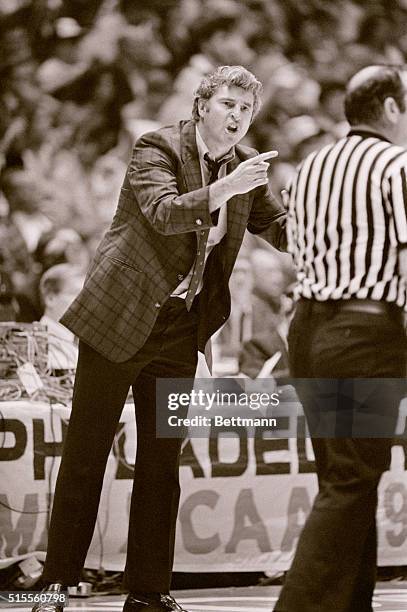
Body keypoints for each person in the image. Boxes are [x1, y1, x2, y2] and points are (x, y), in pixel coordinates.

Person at [32, 65, 286, 612]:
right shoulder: (158, 147)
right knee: (86, 454)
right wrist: (225, 188)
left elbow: (280, 226)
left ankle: (148, 591)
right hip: (118, 317)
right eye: (228, 105)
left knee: (161, 461)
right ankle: (56, 582)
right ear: (201, 107)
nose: (238, 117)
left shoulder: (244, 169)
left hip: (178, 328)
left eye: (246, 109)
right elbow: (164, 213)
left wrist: (330, 223)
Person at [273, 65, 407, 612]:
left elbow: (295, 247)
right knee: (354, 476)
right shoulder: (397, 165)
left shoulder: (308, 168)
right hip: (365, 329)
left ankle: (353, 603)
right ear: (392, 109)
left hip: (308, 329)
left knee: (342, 474)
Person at [39, 264, 85, 370]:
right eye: (77, 294)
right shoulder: (34, 345)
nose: (84, 302)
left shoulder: (81, 342)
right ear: (50, 298)